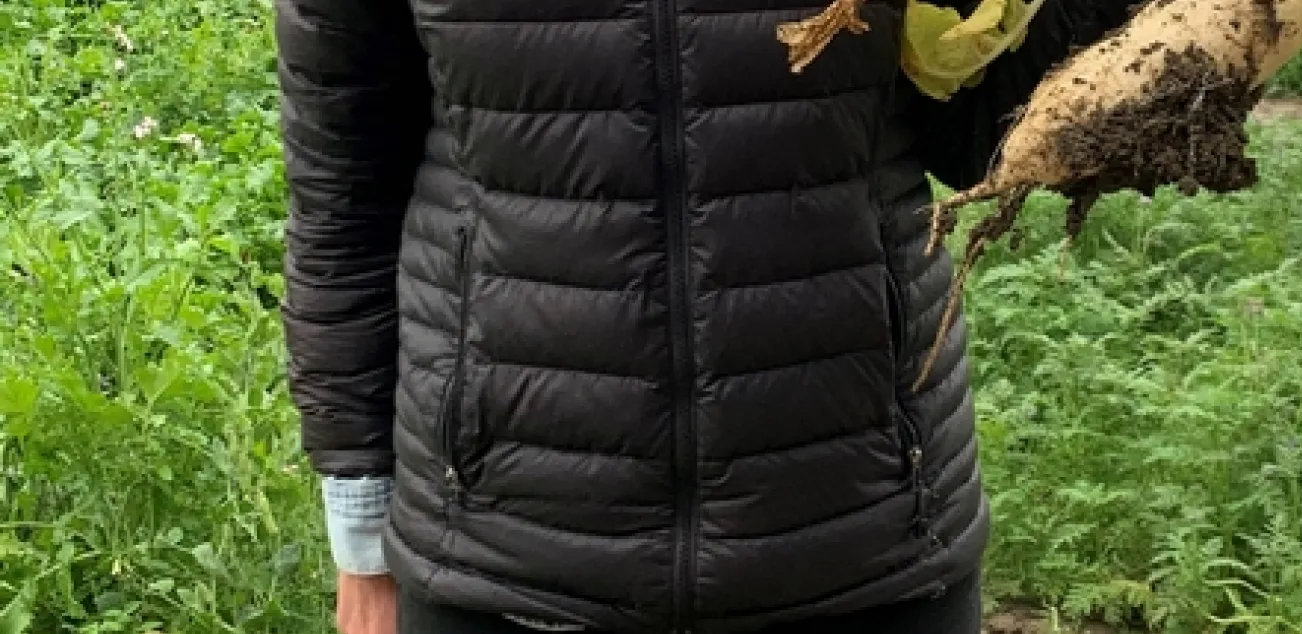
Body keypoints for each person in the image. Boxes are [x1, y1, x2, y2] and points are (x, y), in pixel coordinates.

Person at [270, 0, 1134, 631]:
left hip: (861, 537)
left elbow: (985, 131)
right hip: (505, 557)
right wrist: (362, 532)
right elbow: (344, 197)